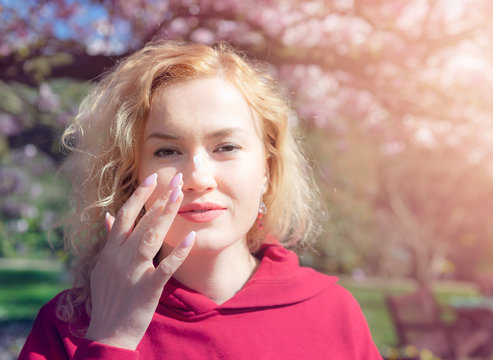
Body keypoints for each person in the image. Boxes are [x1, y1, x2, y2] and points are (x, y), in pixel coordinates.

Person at [19, 41, 382, 359]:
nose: (198, 178)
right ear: (130, 175)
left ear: (267, 170)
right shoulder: (68, 326)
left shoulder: (334, 313)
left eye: (226, 147)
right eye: (166, 151)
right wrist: (112, 341)